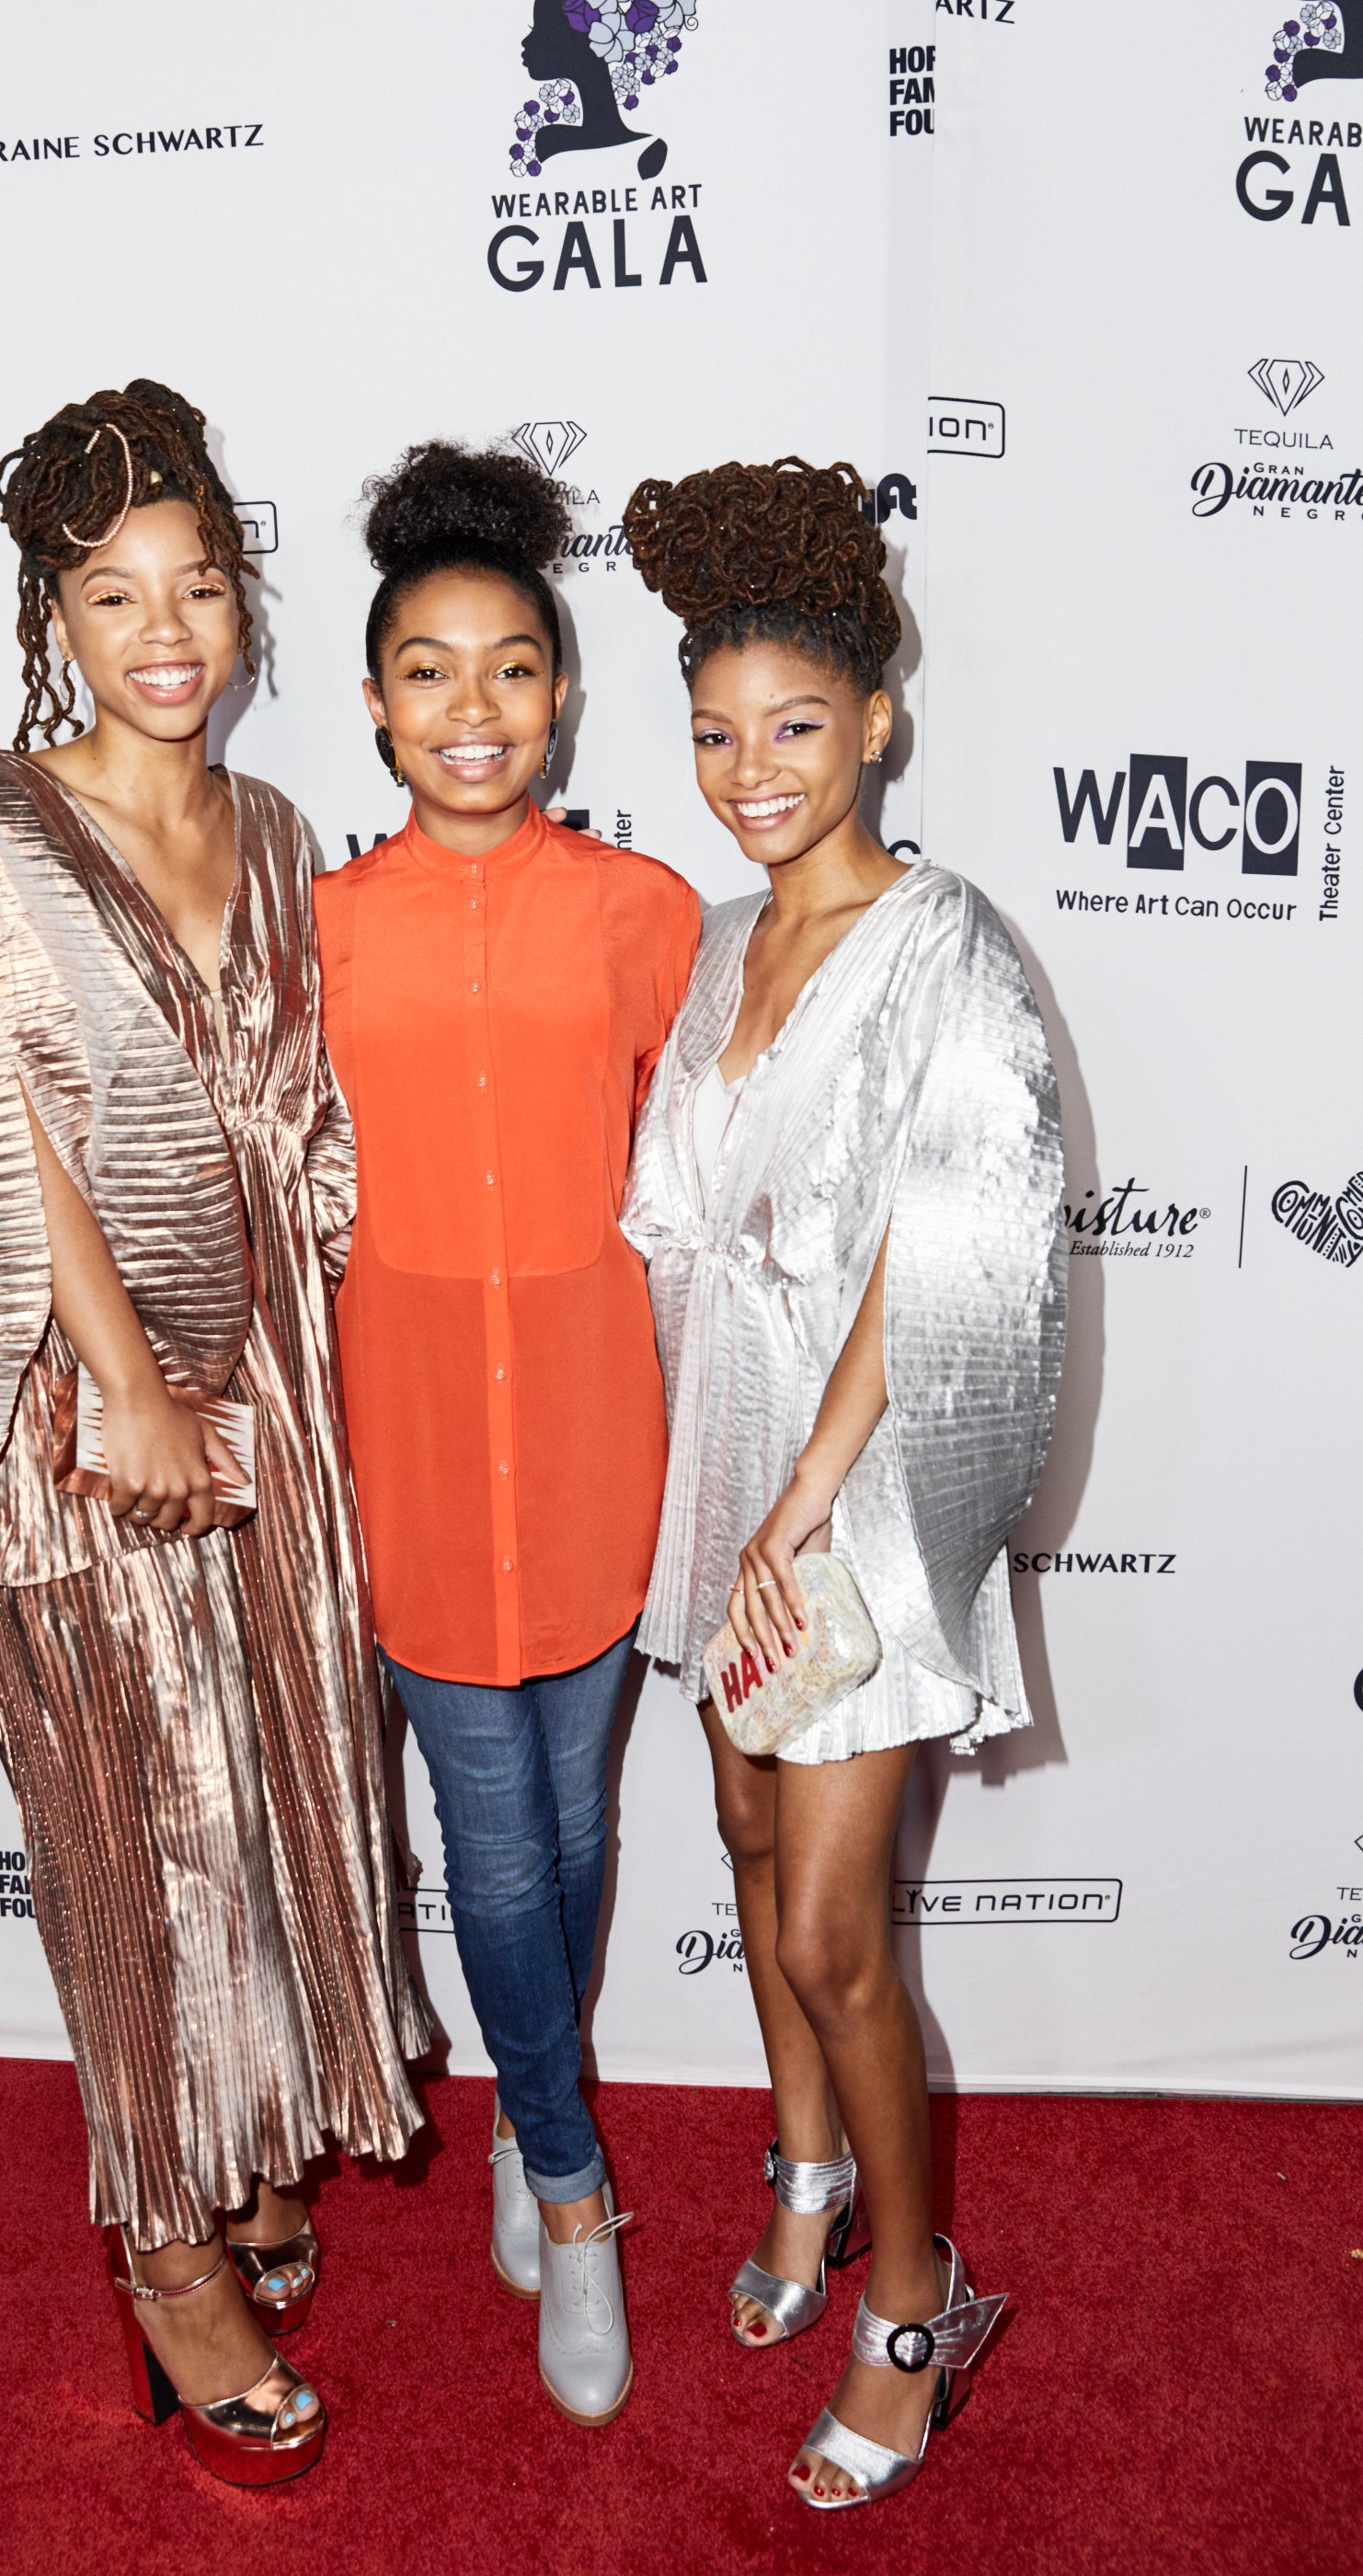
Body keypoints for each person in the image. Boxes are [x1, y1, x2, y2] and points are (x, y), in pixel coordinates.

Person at [0, 380, 430, 2489]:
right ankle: (168, 2251)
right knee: (131, 1826)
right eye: (113, 595)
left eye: (197, 586)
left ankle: (245, 2135)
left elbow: (301, 1125)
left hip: (272, 1394)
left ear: (244, 598)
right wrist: (131, 1382)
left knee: (254, 1789)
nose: (164, 633)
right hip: (85, 1424)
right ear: (52, 619)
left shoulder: (272, 829)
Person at [619, 456, 1066, 2508]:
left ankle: (914, 2296)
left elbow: (945, 1232)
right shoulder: (720, 944)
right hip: (724, 1456)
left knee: (828, 1931)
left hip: (857, 1488)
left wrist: (807, 1493)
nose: (751, 773)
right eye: (715, 735)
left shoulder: (944, 938)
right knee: (738, 1829)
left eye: (794, 727)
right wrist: (714, 1495)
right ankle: (803, 2165)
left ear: (878, 722)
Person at [313, 443, 702, 2425]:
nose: (473, 708)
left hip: (593, 1437)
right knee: (487, 1839)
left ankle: (527, 2104)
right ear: (375, 704)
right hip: (405, 1449)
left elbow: (706, 1191)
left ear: (561, 694)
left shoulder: (648, 912)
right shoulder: (309, 929)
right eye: (429, 671)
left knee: (570, 1829)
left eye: (513, 668)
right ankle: (567, 2184)